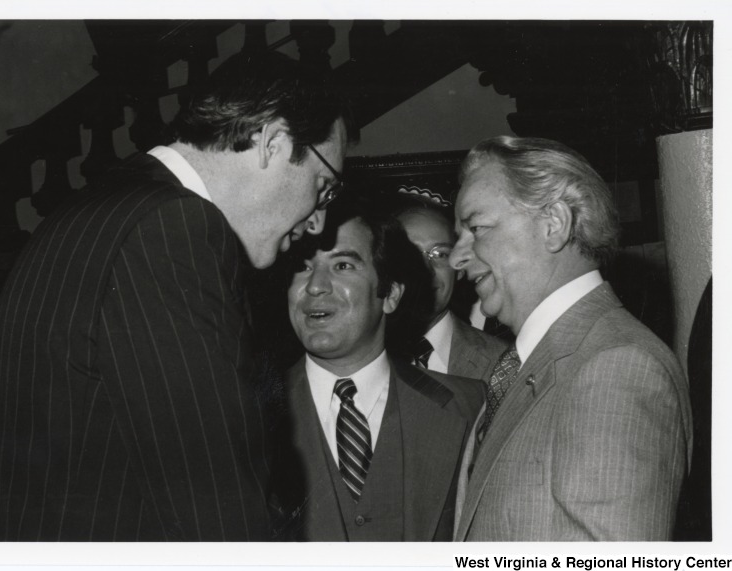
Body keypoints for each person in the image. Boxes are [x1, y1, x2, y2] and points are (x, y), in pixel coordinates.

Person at [0, 51, 357, 541]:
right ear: (273, 143)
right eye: (324, 187)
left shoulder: (96, 208)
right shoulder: (173, 228)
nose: (318, 223)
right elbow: (219, 513)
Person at [450, 136, 692, 541]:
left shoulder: (615, 369)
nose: (457, 257)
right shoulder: (535, 364)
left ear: (554, 224)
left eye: (476, 228)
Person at [270, 197, 485, 541]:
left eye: (342, 266)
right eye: (303, 266)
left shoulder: (469, 407)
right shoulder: (244, 411)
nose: (315, 286)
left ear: (390, 295)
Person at [393, 194, 506, 380]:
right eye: (408, 254)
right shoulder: (351, 355)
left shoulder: (503, 363)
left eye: (440, 254)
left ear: (459, 267)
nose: (425, 270)